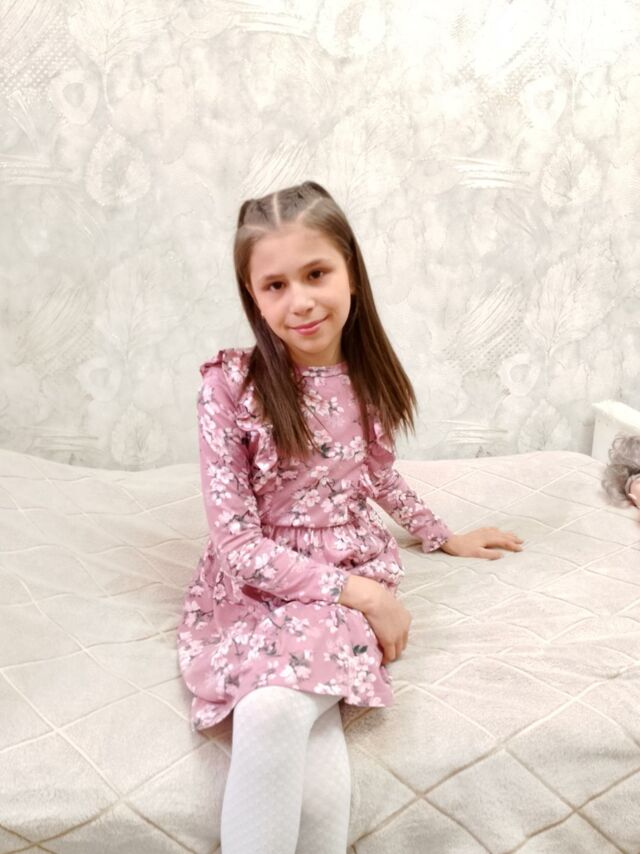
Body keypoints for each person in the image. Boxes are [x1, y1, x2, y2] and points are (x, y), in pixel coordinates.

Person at [176, 180, 524, 854]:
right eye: (275, 285)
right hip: (261, 581)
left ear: (351, 273)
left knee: (285, 715)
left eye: (316, 274)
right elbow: (237, 542)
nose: (300, 301)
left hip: (344, 565)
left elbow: (376, 474)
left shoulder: (367, 379)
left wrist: (442, 536)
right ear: (253, 296)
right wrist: (363, 594)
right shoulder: (229, 386)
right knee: (275, 711)